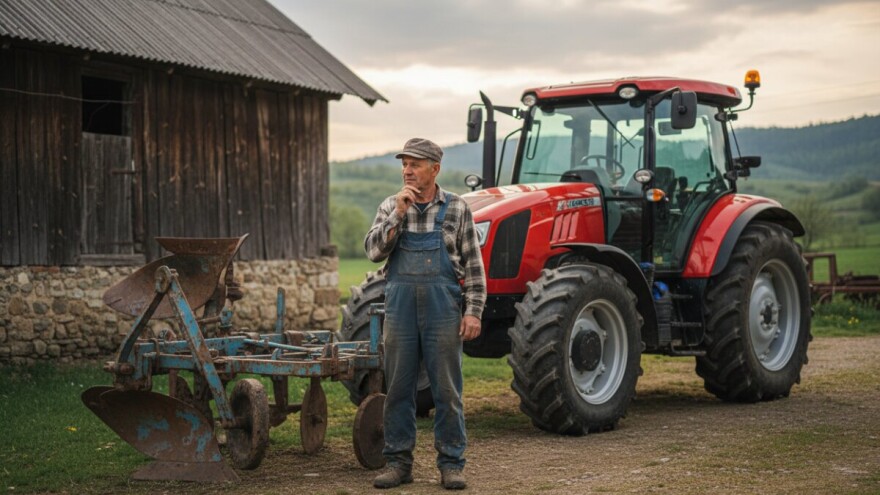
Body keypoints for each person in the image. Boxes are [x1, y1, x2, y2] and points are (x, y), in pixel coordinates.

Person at [365, 137, 486, 490]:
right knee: (399, 388)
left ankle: (451, 463)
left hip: (443, 308)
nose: (407, 170)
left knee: (447, 390)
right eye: (404, 163)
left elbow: (474, 267)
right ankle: (398, 463)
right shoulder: (390, 205)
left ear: (435, 169)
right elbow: (373, 252)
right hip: (400, 307)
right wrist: (397, 215)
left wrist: (474, 311)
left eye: (415, 164)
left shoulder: (458, 208)